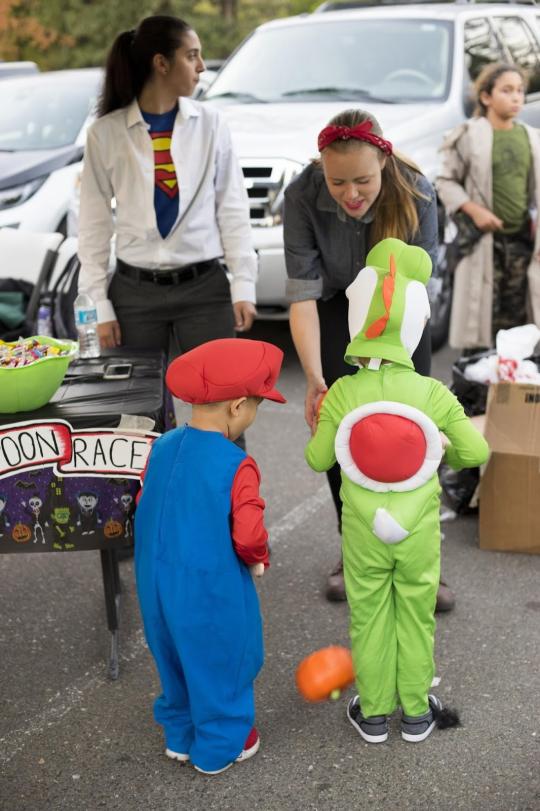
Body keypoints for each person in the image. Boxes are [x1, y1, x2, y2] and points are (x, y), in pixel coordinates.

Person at [305, 238, 489, 743]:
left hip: (362, 530)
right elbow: (475, 453)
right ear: (414, 328)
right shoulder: (432, 394)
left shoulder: (342, 393)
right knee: (415, 610)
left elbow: (318, 458)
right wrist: (437, 449)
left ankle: (373, 713)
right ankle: (414, 713)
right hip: (418, 529)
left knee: (368, 614)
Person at [284, 108, 454, 609]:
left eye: (362, 180)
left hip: (402, 310)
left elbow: (415, 293)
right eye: (338, 182)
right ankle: (354, 548)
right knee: (345, 427)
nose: (351, 193)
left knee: (407, 429)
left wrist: (389, 376)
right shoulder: (300, 196)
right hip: (337, 307)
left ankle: (423, 555)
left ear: (384, 160)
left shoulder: (418, 191)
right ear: (321, 169)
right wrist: (316, 380)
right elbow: (303, 298)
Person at [134, 338, 286, 775]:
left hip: (155, 578)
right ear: (237, 406)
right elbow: (249, 532)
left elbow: (148, 502)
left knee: (173, 651)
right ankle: (220, 745)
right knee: (223, 654)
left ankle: (180, 735)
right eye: (257, 405)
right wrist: (256, 557)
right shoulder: (235, 463)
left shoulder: (162, 446)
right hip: (207, 581)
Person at [78, 15, 257, 361]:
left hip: (205, 289)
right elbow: (93, 227)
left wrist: (243, 284)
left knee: (218, 404)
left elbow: (232, 209)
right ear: (161, 63)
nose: (202, 67)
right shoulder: (105, 134)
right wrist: (98, 303)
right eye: (192, 56)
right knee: (140, 411)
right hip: (134, 295)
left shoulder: (212, 125)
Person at [437, 62, 540, 351]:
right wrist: (474, 209)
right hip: (483, 243)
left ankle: (513, 389)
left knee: (519, 324)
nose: (516, 97)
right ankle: (477, 388)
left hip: (521, 244)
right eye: (506, 90)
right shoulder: (469, 135)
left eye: (520, 90)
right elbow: (446, 181)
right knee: (480, 319)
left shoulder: (531, 138)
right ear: (486, 97)